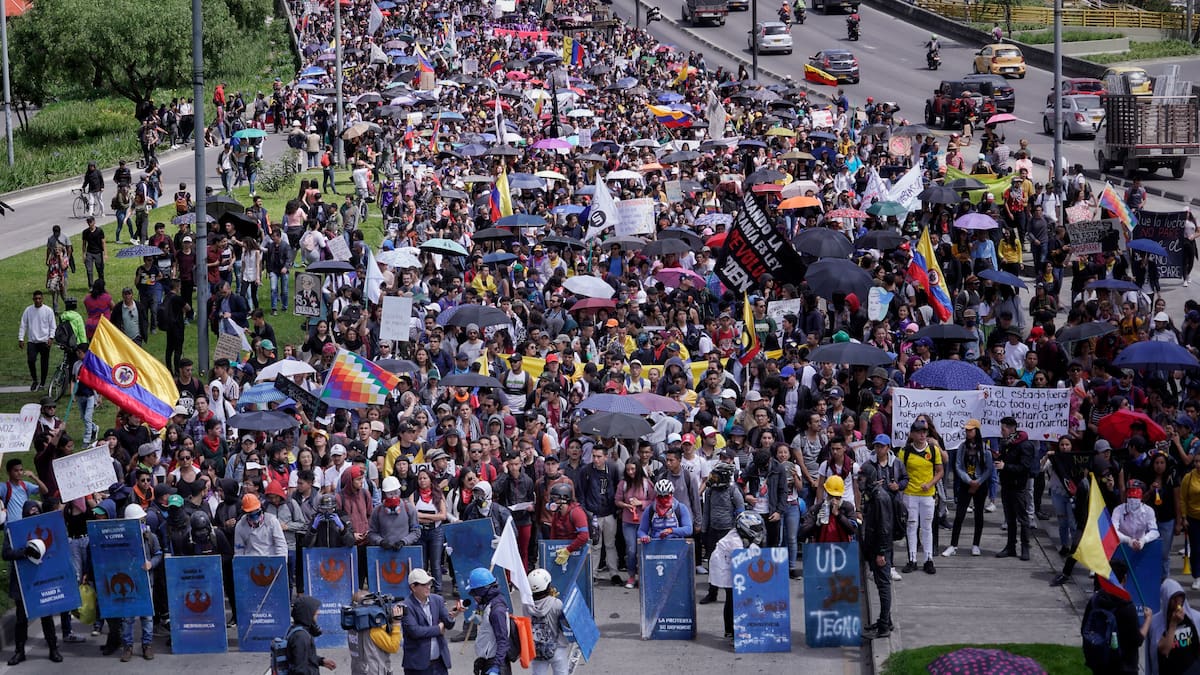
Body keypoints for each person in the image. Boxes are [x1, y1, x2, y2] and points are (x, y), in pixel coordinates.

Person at [4, 501, 61, 665]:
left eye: (35, 514)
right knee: (21, 618)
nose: (33, 517)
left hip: (42, 579)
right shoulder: (13, 532)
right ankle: (19, 652)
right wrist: (24, 552)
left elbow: (57, 551)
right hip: (23, 581)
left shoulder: (48, 529)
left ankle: (53, 649)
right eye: (30, 514)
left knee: (46, 616)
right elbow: (6, 553)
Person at [1081, 558, 1149, 675]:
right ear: (1124, 579)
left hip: (1100, 663)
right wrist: (1148, 619)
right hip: (1124, 667)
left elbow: (1084, 629)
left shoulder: (1095, 600)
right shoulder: (1127, 607)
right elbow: (1137, 640)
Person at [709, 511, 766, 640]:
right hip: (723, 564)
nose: (758, 530)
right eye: (755, 528)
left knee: (732, 597)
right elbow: (745, 558)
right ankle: (730, 631)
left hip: (729, 560)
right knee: (731, 596)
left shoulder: (740, 534)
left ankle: (730, 630)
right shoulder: (735, 541)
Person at [944, 420, 993, 557]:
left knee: (979, 515)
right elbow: (958, 466)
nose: (968, 432)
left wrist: (978, 481)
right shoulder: (962, 447)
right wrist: (968, 480)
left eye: (970, 430)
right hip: (966, 484)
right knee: (959, 515)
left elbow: (989, 469)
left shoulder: (984, 448)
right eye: (966, 430)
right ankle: (953, 545)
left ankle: (976, 544)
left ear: (976, 431)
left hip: (980, 485)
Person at [900, 419, 943, 574]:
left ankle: (928, 559)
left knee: (927, 527)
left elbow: (940, 471)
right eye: (918, 432)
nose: (922, 434)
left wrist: (930, 484)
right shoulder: (905, 452)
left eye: (924, 431)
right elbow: (900, 472)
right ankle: (912, 559)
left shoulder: (933, 449)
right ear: (912, 434)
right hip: (910, 493)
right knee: (911, 526)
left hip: (927, 494)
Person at [120, 503, 161, 662]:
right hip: (128, 583)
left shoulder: (150, 537)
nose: (140, 523)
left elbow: (158, 553)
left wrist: (151, 563)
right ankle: (127, 646)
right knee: (128, 616)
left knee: (147, 616)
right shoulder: (122, 538)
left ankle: (147, 645)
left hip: (146, 582)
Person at [858, 460, 894, 640]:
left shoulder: (879, 498)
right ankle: (885, 620)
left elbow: (884, 528)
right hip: (874, 548)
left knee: (883, 586)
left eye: (862, 477)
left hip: (881, 550)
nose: (859, 481)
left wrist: (881, 552)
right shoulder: (872, 495)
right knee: (881, 585)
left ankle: (884, 627)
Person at [401, 567, 460, 675]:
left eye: (429, 583)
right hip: (417, 666)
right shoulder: (405, 606)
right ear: (413, 587)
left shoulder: (437, 600)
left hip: (439, 663)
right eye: (424, 585)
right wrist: (438, 629)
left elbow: (447, 623)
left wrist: (453, 616)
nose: (428, 587)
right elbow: (415, 631)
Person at [996, 416, 1036, 561]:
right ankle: (1010, 547)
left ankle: (1025, 547)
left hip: (1018, 486)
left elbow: (1024, 467)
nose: (1001, 432)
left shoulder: (1024, 445)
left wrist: (1005, 466)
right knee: (1010, 518)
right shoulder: (1006, 443)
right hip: (1006, 485)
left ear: (1012, 429)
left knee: (1023, 518)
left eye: (1003, 429)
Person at [1146, 578, 1200, 674]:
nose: (1178, 602)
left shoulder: (1194, 617)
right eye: (1174, 599)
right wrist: (1173, 624)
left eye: (1180, 597)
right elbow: (1164, 650)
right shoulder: (1157, 623)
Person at [467, 567, 511, 675]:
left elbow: (502, 641)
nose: (473, 596)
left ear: (482, 591)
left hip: (495, 664)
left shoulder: (496, 611)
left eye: (474, 592)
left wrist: (496, 667)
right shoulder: (488, 603)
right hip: (489, 661)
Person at [346, 590, 402, 675]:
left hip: (359, 671)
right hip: (374, 671)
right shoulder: (373, 630)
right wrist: (396, 623)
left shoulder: (352, 627)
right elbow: (393, 646)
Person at [527, 568, 571, 675]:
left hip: (536, 650)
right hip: (558, 648)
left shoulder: (526, 605)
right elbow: (566, 624)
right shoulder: (556, 603)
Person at [286, 594, 338, 675]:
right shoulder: (301, 637)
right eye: (315, 612)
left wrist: (321, 661)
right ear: (307, 613)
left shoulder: (297, 630)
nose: (318, 612)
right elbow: (300, 669)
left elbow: (304, 657)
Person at [799, 474, 858, 543]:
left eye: (837, 497)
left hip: (843, 549)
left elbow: (852, 530)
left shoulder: (847, 507)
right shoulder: (816, 508)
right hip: (821, 549)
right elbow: (803, 533)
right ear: (826, 492)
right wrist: (816, 524)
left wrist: (839, 515)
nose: (834, 500)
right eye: (831, 496)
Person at [18, 290, 56, 391]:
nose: (38, 300)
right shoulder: (28, 310)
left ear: (42, 299)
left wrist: (51, 338)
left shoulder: (48, 310)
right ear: (33, 299)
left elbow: (53, 326)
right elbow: (23, 325)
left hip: (44, 341)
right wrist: (21, 338)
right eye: (36, 299)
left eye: (39, 298)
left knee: (44, 363)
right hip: (32, 341)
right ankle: (35, 380)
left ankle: (42, 383)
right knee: (31, 360)